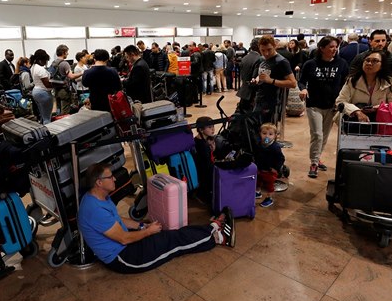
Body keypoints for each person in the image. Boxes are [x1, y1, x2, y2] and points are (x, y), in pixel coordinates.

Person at [77, 163, 236, 274]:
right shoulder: (94, 209)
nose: (115, 179)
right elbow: (124, 239)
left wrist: (142, 226)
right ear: (99, 182)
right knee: (174, 242)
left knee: (172, 234)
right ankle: (217, 238)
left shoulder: (99, 196)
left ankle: (212, 227)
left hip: (127, 248)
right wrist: (149, 231)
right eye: (110, 177)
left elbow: (117, 219)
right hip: (125, 258)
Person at [298, 36, 349, 178]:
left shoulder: (342, 64)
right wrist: (303, 89)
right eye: (331, 46)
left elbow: (346, 83)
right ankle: (314, 163)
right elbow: (302, 82)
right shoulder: (310, 64)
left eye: (335, 46)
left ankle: (317, 157)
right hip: (314, 105)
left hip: (332, 106)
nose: (334, 49)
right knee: (317, 134)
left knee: (324, 136)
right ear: (322, 48)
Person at [335, 50, 392, 123]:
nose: (369, 63)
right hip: (354, 121)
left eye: (375, 61)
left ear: (382, 66)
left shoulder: (388, 82)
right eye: (367, 60)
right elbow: (340, 101)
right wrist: (357, 111)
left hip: (380, 121)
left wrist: (378, 107)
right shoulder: (352, 80)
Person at [251, 35, 297, 124]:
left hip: (273, 102)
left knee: (268, 131)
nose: (266, 53)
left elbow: (293, 83)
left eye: (269, 49)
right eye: (263, 50)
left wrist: (271, 81)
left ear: (275, 46)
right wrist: (257, 79)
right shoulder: (262, 59)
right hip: (260, 99)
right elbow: (263, 75)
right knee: (257, 129)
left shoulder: (282, 61)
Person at [254, 123, 286, 208]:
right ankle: (257, 191)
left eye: (270, 134)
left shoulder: (275, 147)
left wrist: (276, 168)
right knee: (258, 180)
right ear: (260, 133)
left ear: (275, 136)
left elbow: (281, 158)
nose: (267, 136)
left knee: (269, 185)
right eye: (264, 133)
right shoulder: (259, 144)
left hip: (270, 170)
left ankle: (269, 198)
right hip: (260, 168)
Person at [50, 44, 83, 115]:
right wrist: (82, 73)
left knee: (58, 109)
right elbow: (71, 76)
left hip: (56, 89)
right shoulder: (65, 63)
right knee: (65, 111)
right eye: (67, 52)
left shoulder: (53, 63)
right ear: (63, 52)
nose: (68, 53)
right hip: (64, 90)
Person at [193, 116, 216, 202]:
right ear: (201, 130)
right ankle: (202, 195)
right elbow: (207, 164)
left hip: (200, 169)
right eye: (209, 127)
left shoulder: (197, 139)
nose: (213, 129)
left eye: (213, 126)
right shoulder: (203, 145)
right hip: (202, 173)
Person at [29, 49, 53, 124]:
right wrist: (58, 84)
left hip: (36, 91)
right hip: (43, 92)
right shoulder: (40, 69)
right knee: (47, 117)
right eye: (45, 60)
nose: (46, 63)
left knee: (42, 115)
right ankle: (48, 133)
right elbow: (47, 84)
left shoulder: (33, 67)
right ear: (40, 60)